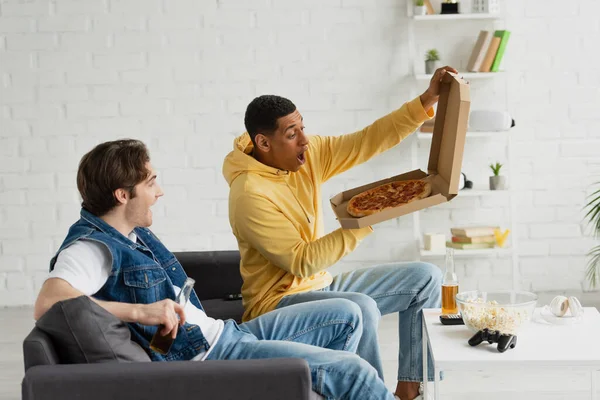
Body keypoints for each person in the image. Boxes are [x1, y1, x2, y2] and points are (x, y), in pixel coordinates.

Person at [33, 139, 397, 400]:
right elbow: (50, 304)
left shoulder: (131, 232)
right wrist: (140, 311)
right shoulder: (91, 247)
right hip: (214, 356)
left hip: (226, 333)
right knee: (353, 371)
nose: (159, 192)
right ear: (122, 195)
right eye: (150, 182)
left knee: (349, 314)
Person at [223, 66, 459, 400]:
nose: (305, 139)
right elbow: (301, 262)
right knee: (360, 306)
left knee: (426, 277)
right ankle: (374, 394)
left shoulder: (304, 157)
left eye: (303, 127)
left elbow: (366, 141)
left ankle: (410, 389)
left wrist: (427, 99)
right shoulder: (249, 194)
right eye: (292, 134)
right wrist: (367, 218)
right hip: (278, 303)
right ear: (263, 142)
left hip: (322, 286)